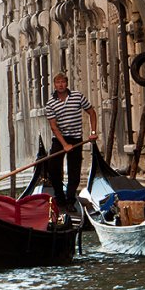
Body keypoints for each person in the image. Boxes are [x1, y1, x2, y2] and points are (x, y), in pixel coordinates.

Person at [45, 72, 97, 212]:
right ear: (55, 85)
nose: (60, 85)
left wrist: (92, 133)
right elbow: (54, 127)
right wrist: (64, 145)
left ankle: (70, 201)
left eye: (63, 82)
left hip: (75, 138)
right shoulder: (50, 103)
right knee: (53, 168)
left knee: (74, 171)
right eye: (58, 82)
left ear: (66, 83)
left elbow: (92, 112)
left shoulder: (77, 97)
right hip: (59, 139)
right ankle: (60, 199)